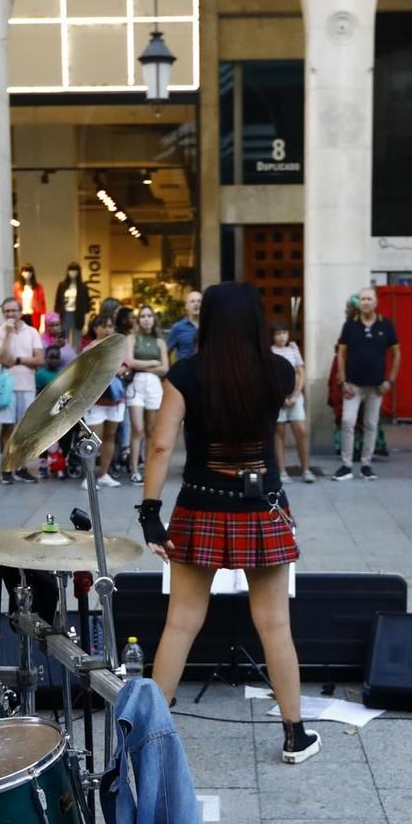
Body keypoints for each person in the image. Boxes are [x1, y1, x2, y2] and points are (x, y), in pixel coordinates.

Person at [137, 284, 319, 765]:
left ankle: (152, 739)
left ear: (208, 321)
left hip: (199, 505)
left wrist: (149, 514)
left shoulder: (185, 375)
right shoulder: (277, 371)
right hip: (262, 508)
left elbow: (160, 446)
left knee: (180, 623)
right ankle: (294, 735)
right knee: (275, 623)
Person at [333, 285, 400, 480]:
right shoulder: (350, 326)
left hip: (377, 386)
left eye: (369, 299)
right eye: (362, 299)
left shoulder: (386, 325)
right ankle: (346, 465)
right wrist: (342, 380)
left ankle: (366, 464)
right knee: (347, 422)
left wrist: (391, 381)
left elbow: (397, 354)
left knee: (371, 424)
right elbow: (341, 354)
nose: (365, 303)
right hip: (353, 385)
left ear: (376, 302)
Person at [0, 296, 46, 482]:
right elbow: (1, 358)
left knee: (24, 429)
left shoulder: (31, 332)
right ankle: (7, 468)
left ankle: (22, 467)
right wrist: (8, 334)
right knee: (7, 427)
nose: (10, 314)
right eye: (7, 311)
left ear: (20, 312)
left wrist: (17, 360)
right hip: (7, 387)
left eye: (14, 310)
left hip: (27, 386)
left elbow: (39, 359)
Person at [122, 305, 170, 484]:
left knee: (151, 430)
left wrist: (151, 365)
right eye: (143, 316)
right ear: (138, 319)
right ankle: (134, 469)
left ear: (154, 318)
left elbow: (165, 368)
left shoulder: (160, 342)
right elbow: (131, 362)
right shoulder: (132, 338)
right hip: (136, 384)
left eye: (149, 316)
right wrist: (153, 361)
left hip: (154, 385)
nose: (146, 319)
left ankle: (150, 467)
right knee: (137, 428)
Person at [83, 308, 127, 488]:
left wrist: (116, 370)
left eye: (110, 326)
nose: (107, 329)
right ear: (95, 328)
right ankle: (88, 477)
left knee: (110, 437)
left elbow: (125, 367)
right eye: (102, 326)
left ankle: (104, 474)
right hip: (95, 400)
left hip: (115, 400)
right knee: (94, 438)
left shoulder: (117, 347)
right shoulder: (89, 348)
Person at [272, 321, 314, 483]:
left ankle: (305, 469)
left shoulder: (293, 350)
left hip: (295, 397)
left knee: (301, 431)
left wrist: (296, 395)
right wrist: (281, 397)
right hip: (278, 399)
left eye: (284, 332)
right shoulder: (270, 352)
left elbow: (301, 373)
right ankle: (282, 471)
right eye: (278, 333)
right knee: (279, 433)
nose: (282, 336)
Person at [55, 264, 91, 349]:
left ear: (78, 272)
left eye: (75, 270)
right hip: (65, 314)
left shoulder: (83, 287)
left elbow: (86, 306)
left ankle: (76, 359)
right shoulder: (62, 285)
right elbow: (57, 302)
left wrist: (86, 323)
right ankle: (65, 359)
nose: (73, 273)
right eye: (71, 270)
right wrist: (57, 318)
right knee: (64, 339)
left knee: (77, 341)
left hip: (77, 315)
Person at [166, 290, 202, 363]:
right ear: (186, 306)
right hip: (185, 371)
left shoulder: (209, 326)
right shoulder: (178, 328)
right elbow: (166, 352)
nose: (196, 304)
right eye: (192, 301)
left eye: (199, 301)